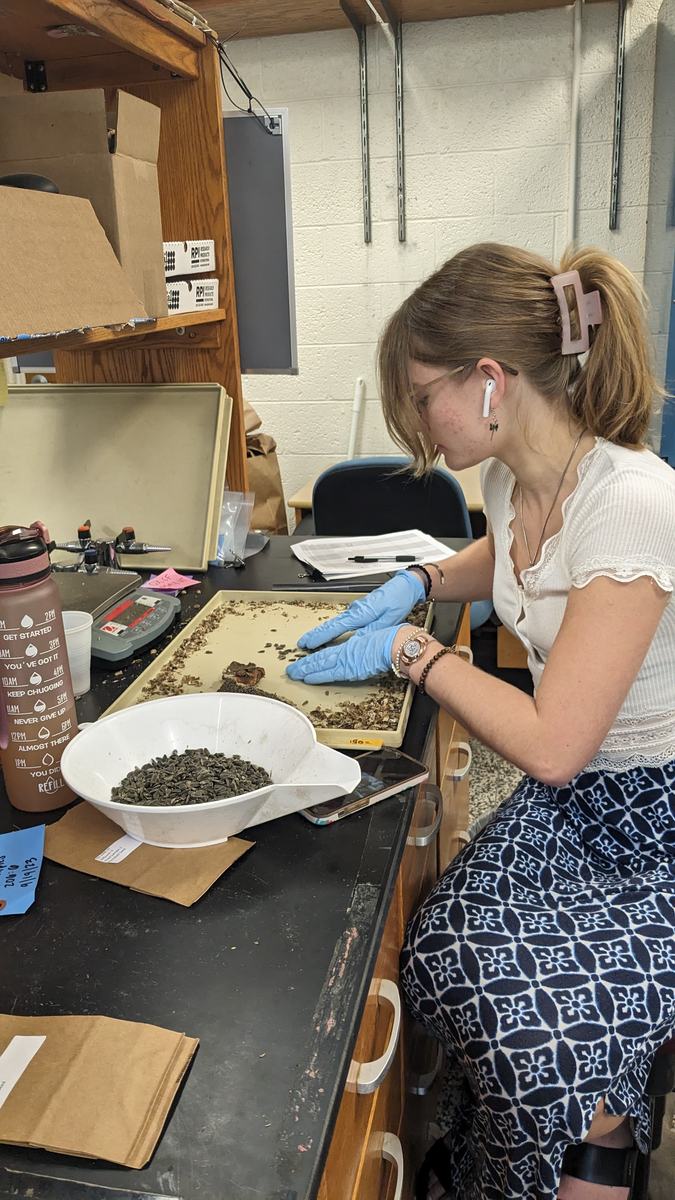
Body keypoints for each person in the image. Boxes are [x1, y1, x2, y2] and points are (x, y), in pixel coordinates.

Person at [286, 243, 675, 1200]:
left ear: (490, 381)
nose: (417, 423)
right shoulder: (511, 475)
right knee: (444, 943)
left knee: (527, 1019)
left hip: (647, 818)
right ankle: (521, 1144)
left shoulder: (630, 504)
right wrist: (417, 583)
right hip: (583, 799)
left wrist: (414, 653)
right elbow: (506, 557)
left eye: (422, 396)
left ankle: (600, 1143)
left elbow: (550, 747)